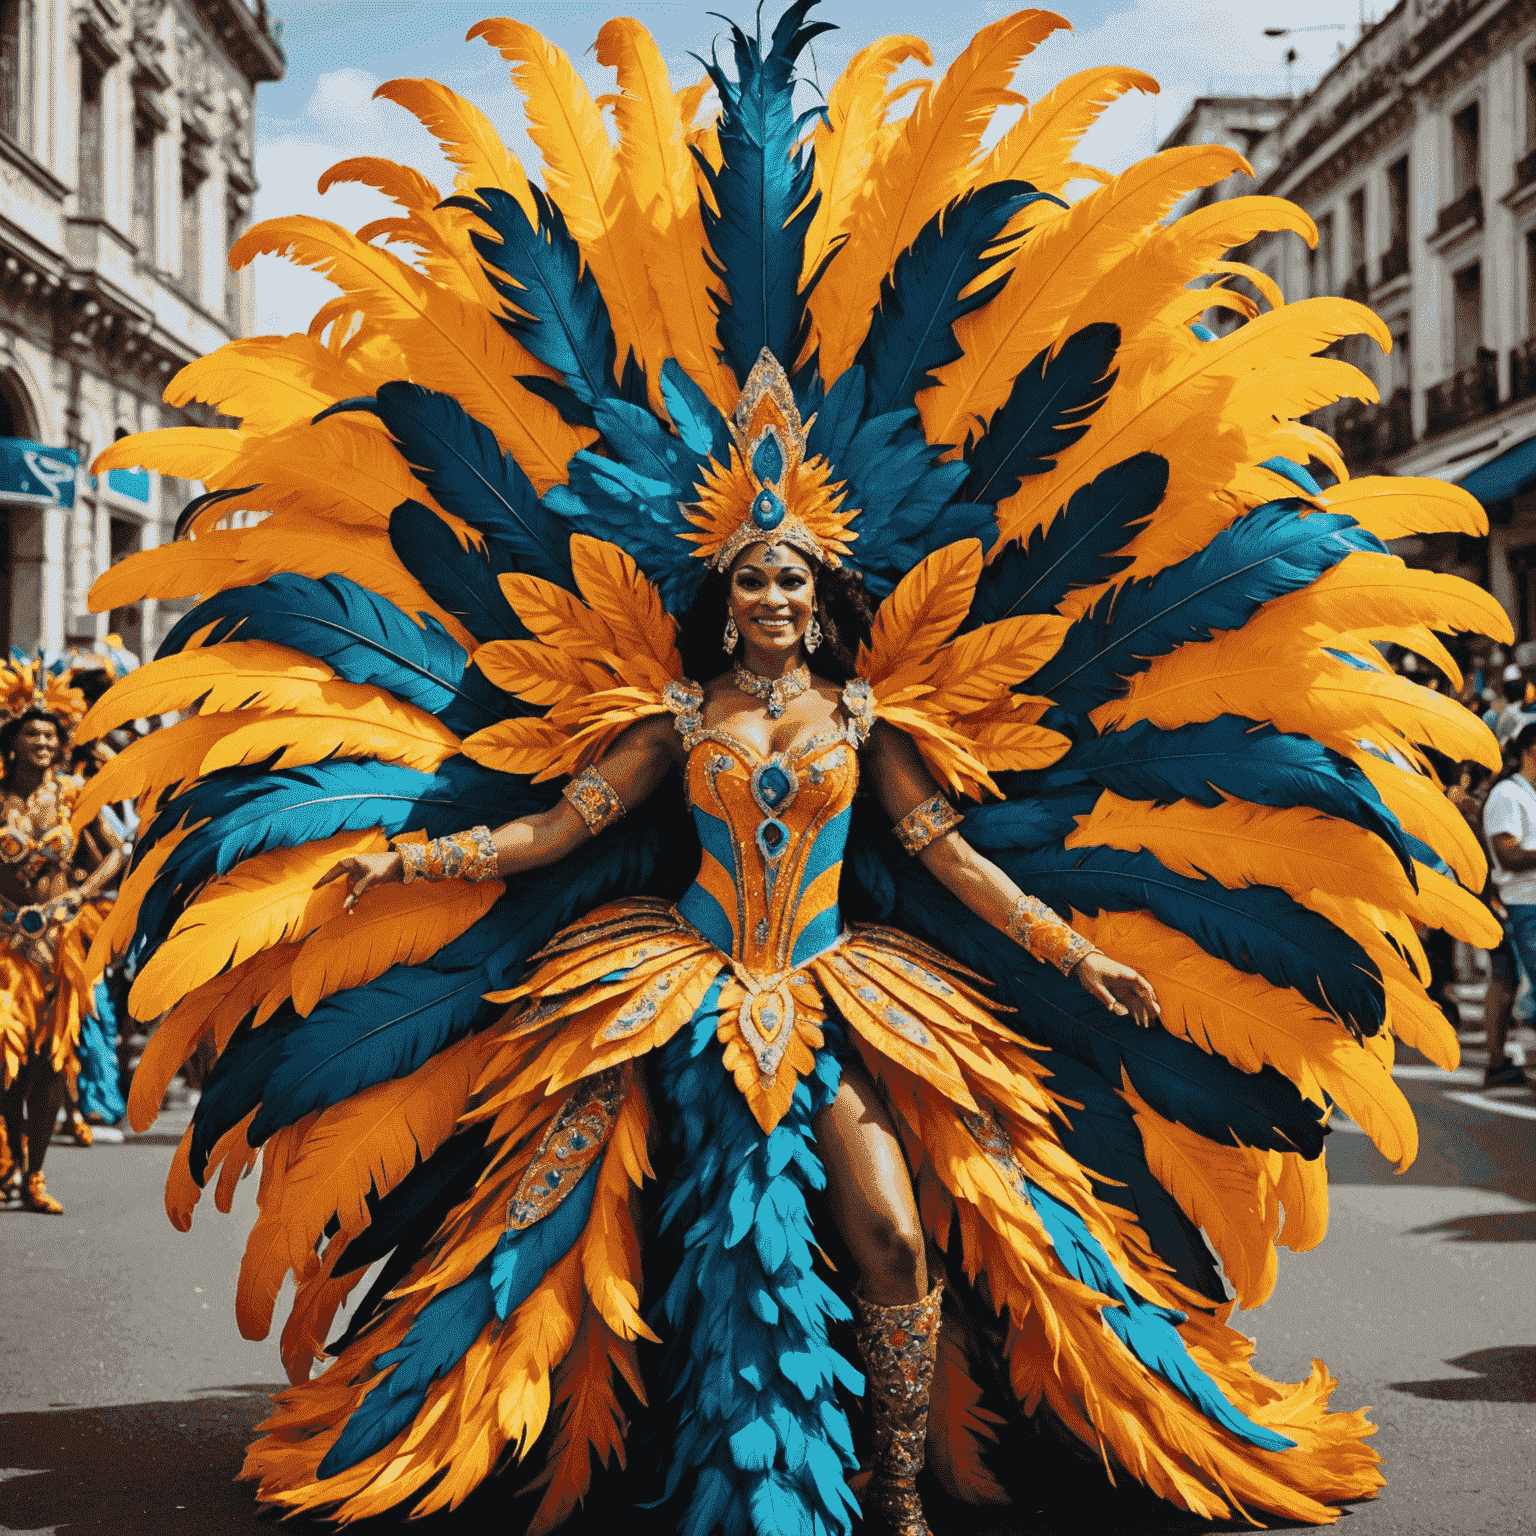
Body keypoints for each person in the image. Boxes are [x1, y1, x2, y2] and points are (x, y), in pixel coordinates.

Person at [85, 6, 1507, 1532]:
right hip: (663, 981)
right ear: (722, 595)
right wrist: (407, 861)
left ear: (827, 601)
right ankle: (556, 1437)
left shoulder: (877, 721)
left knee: (901, 1223)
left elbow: (954, 858)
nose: (771, 599)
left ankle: (893, 1484)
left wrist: (1078, 952)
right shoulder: (665, 718)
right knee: (555, 1231)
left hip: (847, 986)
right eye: (751, 581)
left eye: (793, 583)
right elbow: (554, 832)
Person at [0, 657, 125, 1211]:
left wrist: (78, 895)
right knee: (6, 1055)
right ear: (13, 740)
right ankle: (11, 1161)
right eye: (32, 734)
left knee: (49, 1063)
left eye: (51, 735)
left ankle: (36, 1176)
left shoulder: (76, 795)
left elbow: (118, 850)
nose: (43, 743)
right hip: (5, 943)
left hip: (61, 941)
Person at [1479, 722, 1536, 1089]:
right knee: (1506, 981)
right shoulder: (1507, 795)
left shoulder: (1527, 794)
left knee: (1506, 980)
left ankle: (1500, 1064)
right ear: (1531, 751)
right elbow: (1508, 855)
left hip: (1526, 904)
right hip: (1523, 905)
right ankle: (1500, 1063)